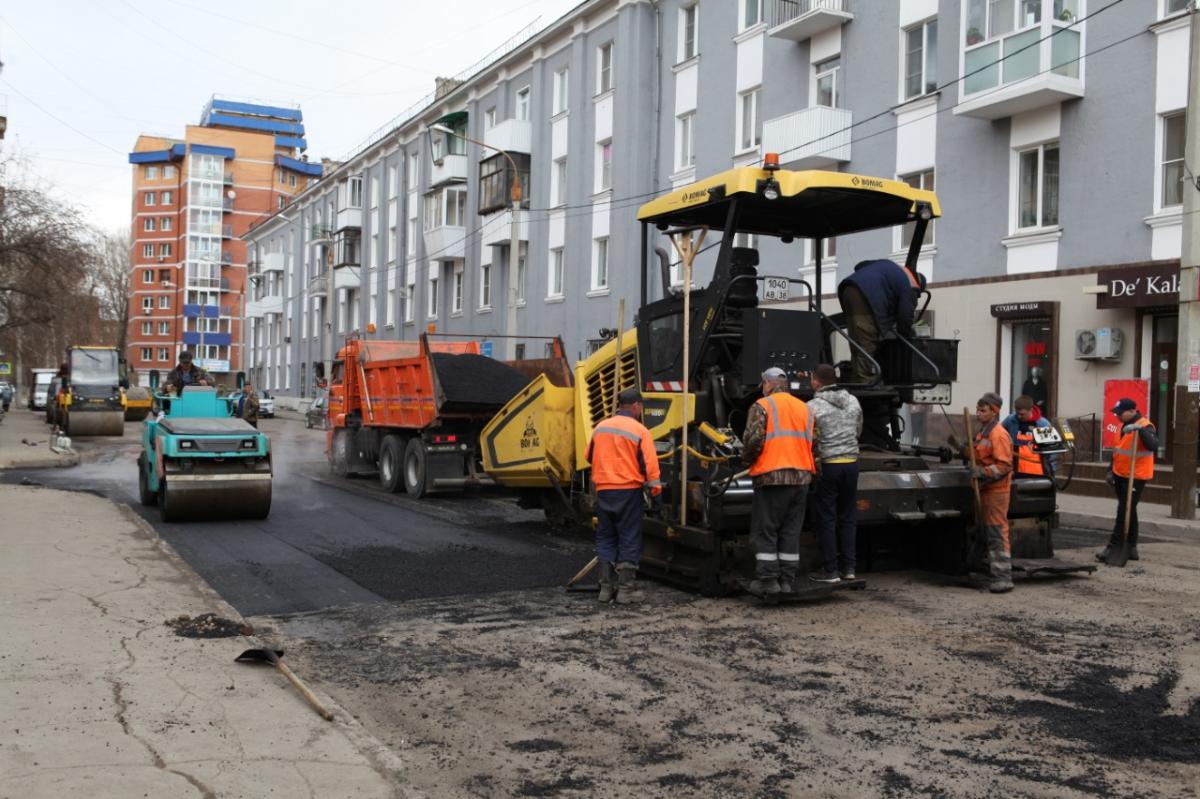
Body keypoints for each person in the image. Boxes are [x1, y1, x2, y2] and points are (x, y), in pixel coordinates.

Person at [741, 367, 816, 596]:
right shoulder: (806, 408)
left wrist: (745, 460)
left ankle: (767, 580)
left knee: (766, 531)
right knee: (791, 531)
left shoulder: (762, 406)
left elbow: (754, 441)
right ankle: (787, 580)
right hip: (801, 478)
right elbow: (817, 445)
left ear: (767, 384)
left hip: (772, 477)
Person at [586, 387, 662, 604]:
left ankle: (605, 589)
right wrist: (656, 493)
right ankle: (625, 591)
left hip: (604, 491)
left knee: (606, 537)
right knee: (628, 537)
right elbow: (650, 466)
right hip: (628, 492)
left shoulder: (600, 428)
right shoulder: (640, 431)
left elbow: (588, 455)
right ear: (637, 406)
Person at [953, 393, 1014, 594]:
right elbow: (979, 453)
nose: (978, 413)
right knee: (982, 532)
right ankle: (974, 567)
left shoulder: (998, 434)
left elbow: (1004, 465)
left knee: (996, 532)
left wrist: (982, 472)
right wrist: (964, 451)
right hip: (985, 489)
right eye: (978, 410)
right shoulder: (983, 433)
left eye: (983, 410)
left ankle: (1002, 577)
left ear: (994, 411)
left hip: (996, 491)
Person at [808, 364, 863, 583]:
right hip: (852, 463)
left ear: (816, 382)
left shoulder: (812, 407)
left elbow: (809, 439)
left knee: (827, 517)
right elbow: (858, 430)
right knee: (848, 517)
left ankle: (830, 570)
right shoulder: (853, 401)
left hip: (829, 465)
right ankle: (849, 568)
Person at [837, 259, 925, 383]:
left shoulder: (893, 270)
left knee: (857, 341)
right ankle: (865, 381)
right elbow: (905, 315)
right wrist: (905, 336)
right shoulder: (910, 285)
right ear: (919, 285)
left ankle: (856, 377)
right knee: (867, 339)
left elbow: (860, 265)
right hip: (865, 295)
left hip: (848, 288)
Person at [1097, 398, 1158, 564]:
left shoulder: (1146, 425)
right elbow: (1117, 450)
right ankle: (1131, 547)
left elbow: (1153, 445)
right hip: (1120, 474)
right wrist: (1110, 470)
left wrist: (1140, 430)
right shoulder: (1121, 426)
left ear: (1132, 411)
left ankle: (1113, 546)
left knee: (1123, 510)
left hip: (1136, 476)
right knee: (1130, 510)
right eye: (1116, 413)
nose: (1117, 416)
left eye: (1120, 413)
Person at [1002, 395, 1054, 479]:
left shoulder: (1043, 424)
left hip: (1037, 472)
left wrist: (1051, 470)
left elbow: (1051, 450)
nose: (1019, 416)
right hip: (1015, 470)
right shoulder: (1010, 420)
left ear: (1031, 410)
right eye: (1017, 413)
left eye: (1022, 414)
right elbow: (1000, 435)